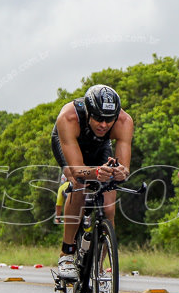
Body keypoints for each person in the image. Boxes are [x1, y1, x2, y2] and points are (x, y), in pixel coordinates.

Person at [50, 84, 133, 279]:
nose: (104, 125)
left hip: (100, 146)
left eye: (108, 120)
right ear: (88, 112)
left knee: (110, 207)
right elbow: (77, 169)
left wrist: (120, 172)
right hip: (70, 144)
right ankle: (67, 253)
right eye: (98, 118)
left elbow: (124, 167)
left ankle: (99, 267)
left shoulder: (124, 121)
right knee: (79, 184)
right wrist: (96, 171)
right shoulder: (68, 118)